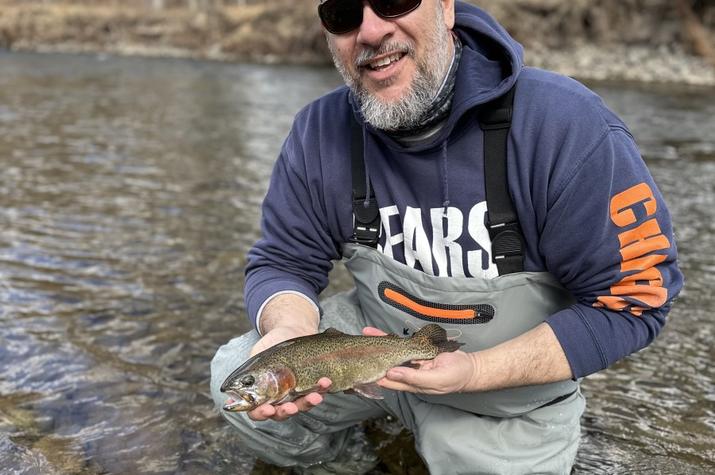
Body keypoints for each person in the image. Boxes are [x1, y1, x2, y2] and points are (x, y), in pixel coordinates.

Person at [210, 0, 683, 473]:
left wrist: (474, 372)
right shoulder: (319, 131)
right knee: (234, 380)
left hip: (503, 397)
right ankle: (353, 460)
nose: (370, 31)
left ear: (446, 7)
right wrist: (290, 333)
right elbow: (284, 261)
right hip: (368, 353)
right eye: (343, 14)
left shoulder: (567, 126)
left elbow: (635, 301)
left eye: (394, 1)